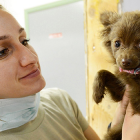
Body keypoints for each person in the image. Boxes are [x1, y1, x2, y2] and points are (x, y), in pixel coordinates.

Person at [0, 5, 100, 140]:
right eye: (2, 52)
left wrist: (119, 126)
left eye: (24, 41)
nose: (31, 58)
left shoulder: (60, 101)